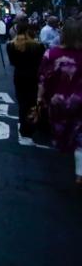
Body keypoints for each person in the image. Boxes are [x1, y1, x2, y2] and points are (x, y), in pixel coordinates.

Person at [37, 16, 82, 185]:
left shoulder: (52, 54)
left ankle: (77, 167)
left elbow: (43, 79)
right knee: (80, 136)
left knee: (66, 134)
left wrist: (40, 98)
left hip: (58, 101)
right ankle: (80, 172)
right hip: (79, 100)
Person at [6, 18, 45, 139]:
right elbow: (42, 62)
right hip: (34, 74)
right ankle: (34, 124)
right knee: (33, 100)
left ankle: (24, 126)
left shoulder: (11, 45)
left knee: (22, 101)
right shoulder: (38, 46)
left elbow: (12, 62)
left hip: (19, 74)